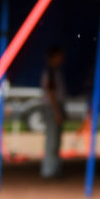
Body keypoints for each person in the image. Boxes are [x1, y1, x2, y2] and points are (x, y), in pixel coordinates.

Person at [39, 46, 68, 179]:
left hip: (55, 106)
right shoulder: (50, 72)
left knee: (56, 140)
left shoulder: (55, 71)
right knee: (52, 139)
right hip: (52, 107)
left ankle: (53, 169)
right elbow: (51, 93)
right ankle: (48, 170)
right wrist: (57, 112)